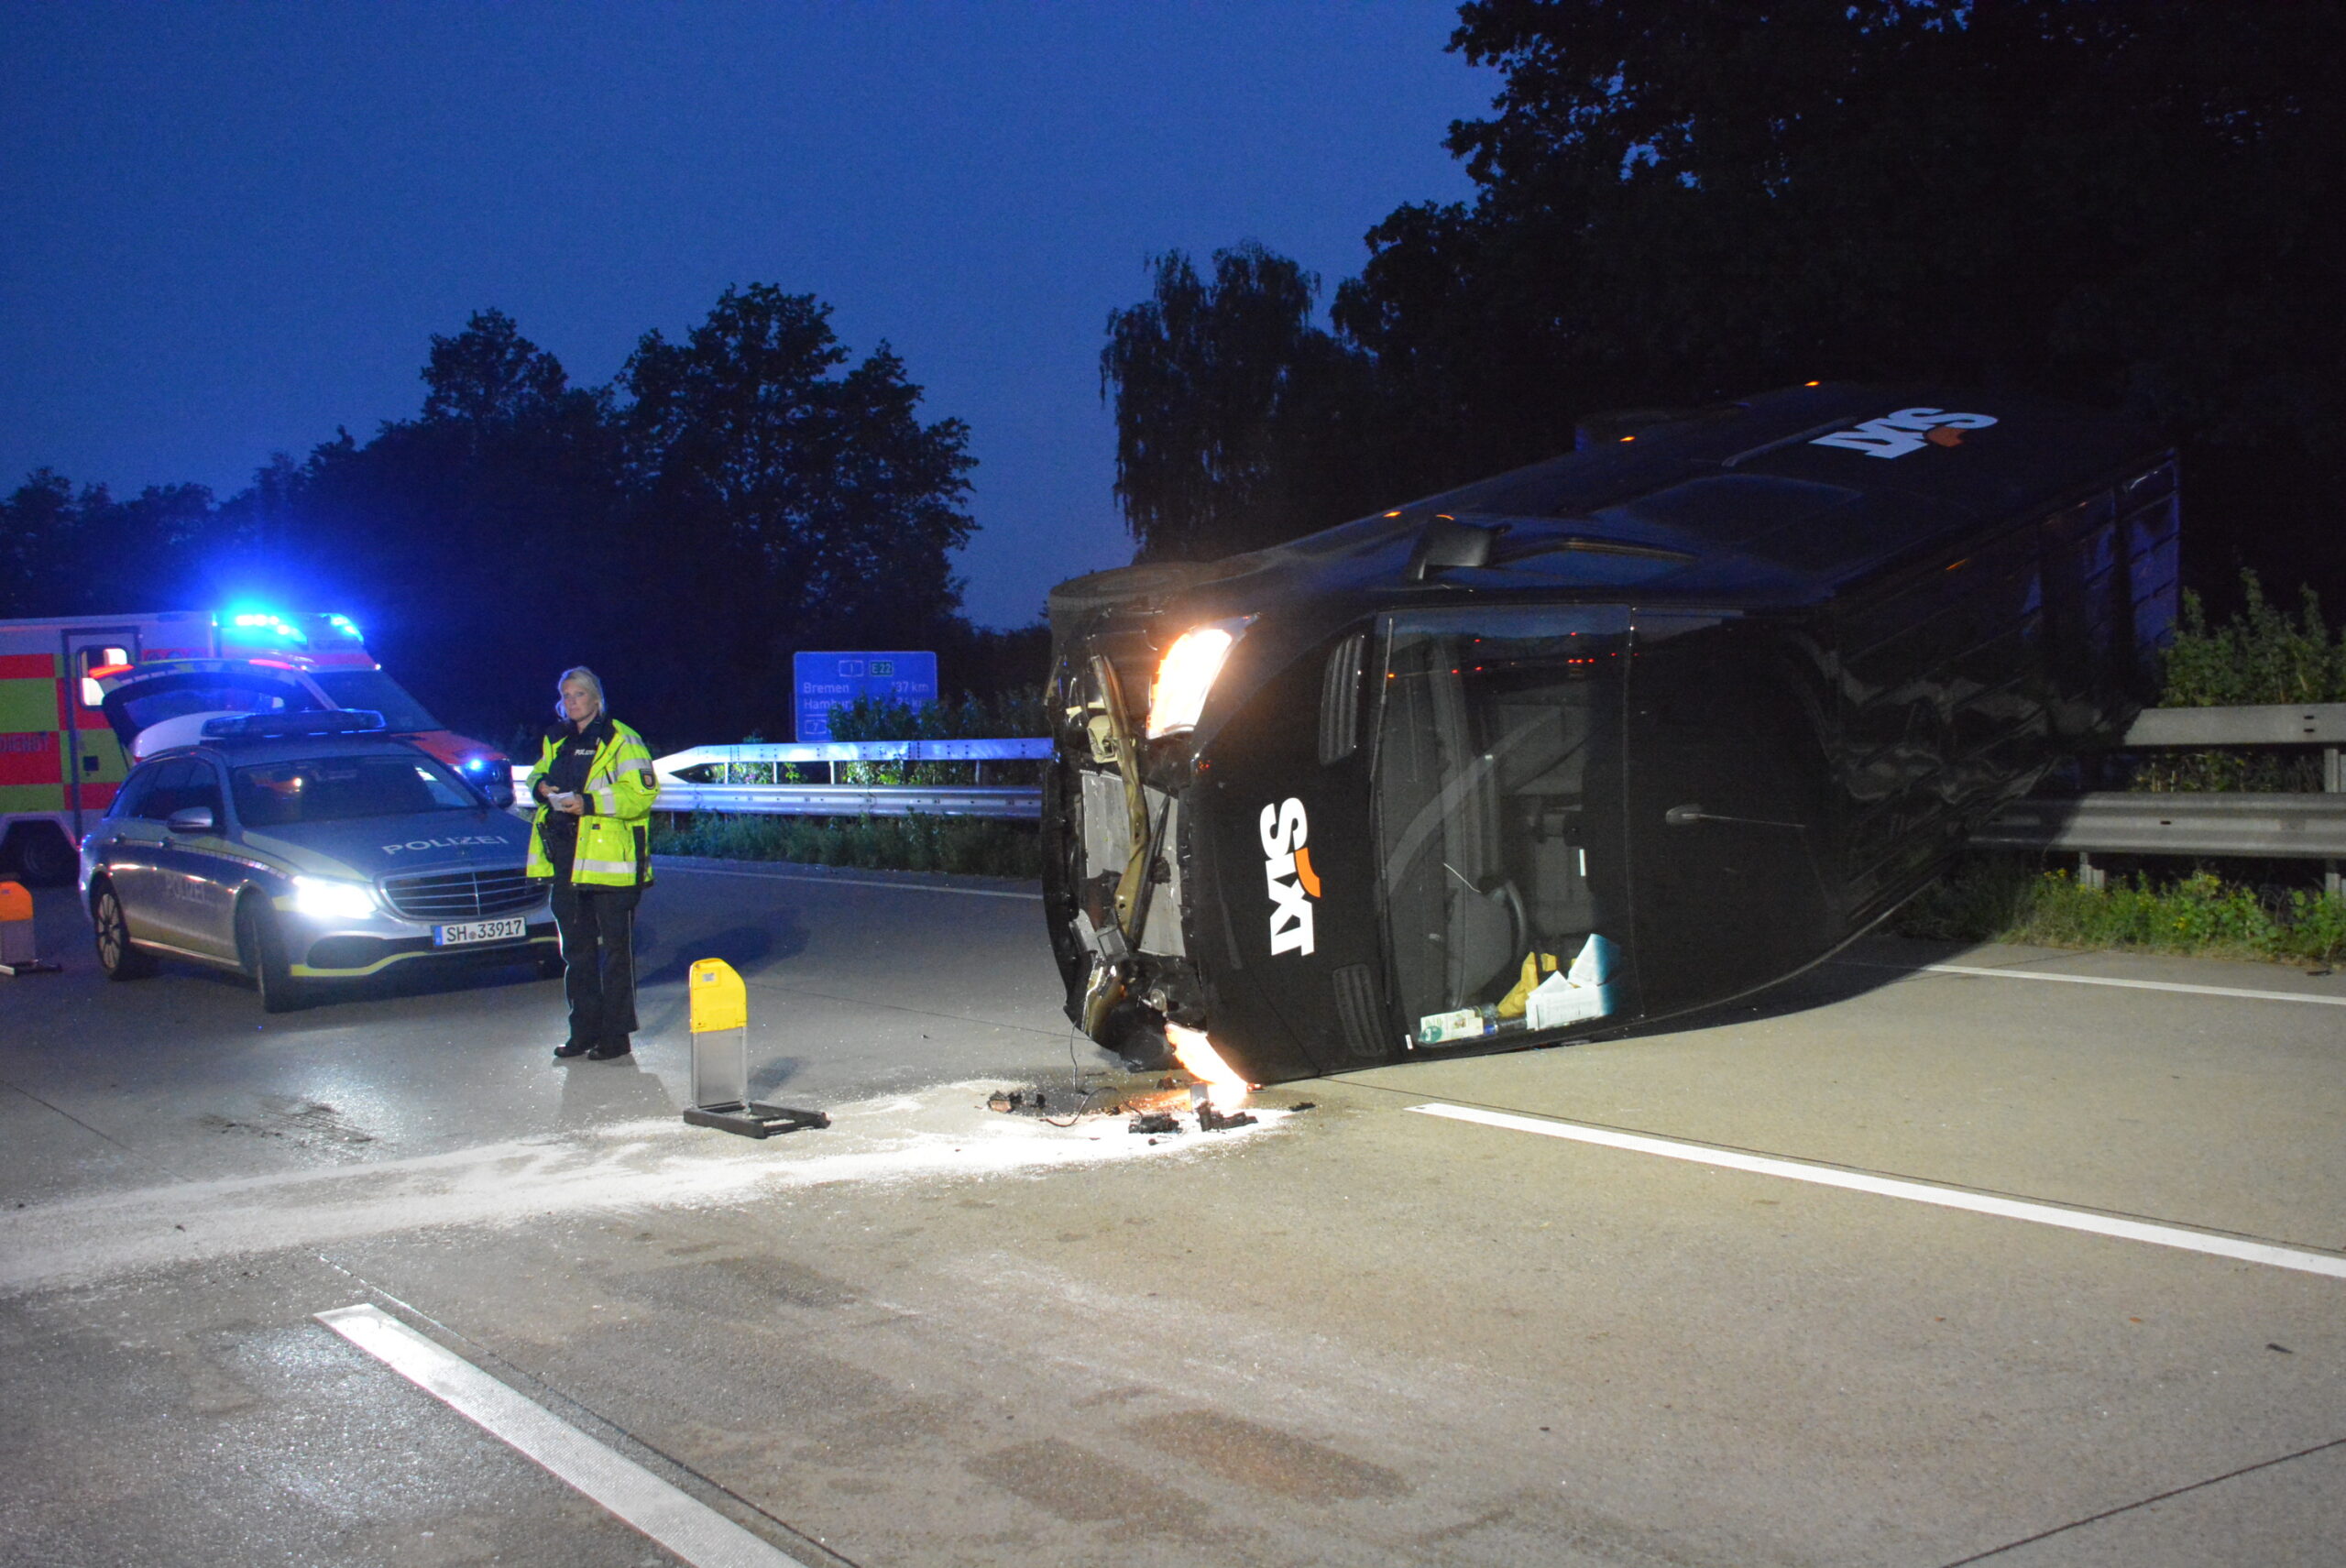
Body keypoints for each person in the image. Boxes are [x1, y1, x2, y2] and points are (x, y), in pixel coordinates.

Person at [524, 667, 658, 1061]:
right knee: (576, 954)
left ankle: (615, 1037)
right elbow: (537, 772)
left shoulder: (621, 738)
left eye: (579, 694)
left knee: (616, 955)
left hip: (609, 865)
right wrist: (541, 787)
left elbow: (641, 794)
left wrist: (591, 802)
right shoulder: (557, 737)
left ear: (596, 698)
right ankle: (582, 1031)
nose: (571, 701)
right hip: (565, 859)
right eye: (565, 695)